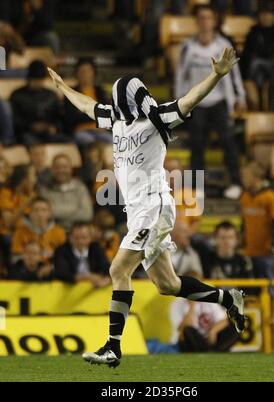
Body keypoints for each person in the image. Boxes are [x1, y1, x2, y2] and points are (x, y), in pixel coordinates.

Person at [48, 46, 246, 368]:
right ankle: (227, 298)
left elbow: (189, 100)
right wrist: (62, 87)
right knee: (167, 285)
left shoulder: (156, 120)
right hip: (141, 211)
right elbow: (87, 107)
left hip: (154, 207)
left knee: (118, 270)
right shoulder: (116, 120)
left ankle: (113, 346)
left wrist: (216, 75)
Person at [175, 4, 246, 200]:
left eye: (208, 17)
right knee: (197, 144)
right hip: (198, 102)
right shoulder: (188, 47)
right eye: (201, 18)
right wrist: (180, 102)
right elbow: (181, 75)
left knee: (228, 142)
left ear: (214, 21)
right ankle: (197, 187)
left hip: (219, 101)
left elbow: (235, 75)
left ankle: (235, 182)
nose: (205, 21)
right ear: (196, 21)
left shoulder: (223, 45)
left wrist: (240, 97)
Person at [240, 161, 274, 283]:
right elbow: (244, 223)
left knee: (269, 284)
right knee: (251, 287)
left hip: (266, 251)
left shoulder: (270, 197)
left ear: (254, 177)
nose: (243, 180)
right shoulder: (245, 196)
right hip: (249, 250)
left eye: (245, 177)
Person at [10, 60, 65, 145]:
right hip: (26, 132)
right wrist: (31, 126)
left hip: (48, 132)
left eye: (40, 80)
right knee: (32, 142)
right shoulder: (17, 95)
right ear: (29, 79)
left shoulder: (51, 96)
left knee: (67, 141)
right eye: (35, 80)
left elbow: (59, 117)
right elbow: (15, 120)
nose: (38, 83)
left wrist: (53, 126)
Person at [241, 4, 274, 107]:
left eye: (269, 14)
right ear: (259, 16)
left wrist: (261, 53)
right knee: (258, 71)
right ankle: (262, 105)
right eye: (263, 14)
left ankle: (258, 97)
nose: (266, 17)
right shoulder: (254, 31)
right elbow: (247, 52)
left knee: (257, 64)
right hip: (259, 68)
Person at [39, 153, 93, 232]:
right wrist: (75, 209)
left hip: (78, 233)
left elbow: (87, 214)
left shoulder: (81, 187)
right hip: (52, 232)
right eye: (57, 167)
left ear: (71, 169)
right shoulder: (44, 190)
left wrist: (57, 212)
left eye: (65, 167)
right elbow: (46, 214)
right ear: (52, 169)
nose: (61, 170)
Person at [64, 58, 110, 146]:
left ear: (94, 73)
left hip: (100, 131)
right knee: (88, 141)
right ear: (76, 74)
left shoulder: (101, 92)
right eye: (82, 71)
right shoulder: (70, 94)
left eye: (88, 71)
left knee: (111, 141)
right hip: (81, 131)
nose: (85, 74)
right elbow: (71, 118)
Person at [54, 222, 110, 287]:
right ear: (70, 238)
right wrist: (86, 277)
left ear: (90, 238)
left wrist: (107, 280)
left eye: (84, 238)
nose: (80, 241)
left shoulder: (96, 248)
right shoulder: (61, 250)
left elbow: (108, 269)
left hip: (95, 291)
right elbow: (62, 274)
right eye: (76, 238)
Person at [170, 299, 239, 352]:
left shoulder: (209, 300)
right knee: (187, 331)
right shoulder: (177, 305)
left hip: (211, 338)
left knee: (234, 328)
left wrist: (213, 331)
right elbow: (182, 329)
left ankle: (215, 351)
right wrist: (192, 307)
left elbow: (224, 321)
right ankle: (208, 351)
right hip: (195, 340)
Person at [11, 196, 65, 261]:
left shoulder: (59, 232)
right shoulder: (19, 232)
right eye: (36, 210)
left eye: (44, 210)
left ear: (49, 213)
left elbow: (63, 257)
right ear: (30, 212)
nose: (40, 214)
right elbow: (16, 259)